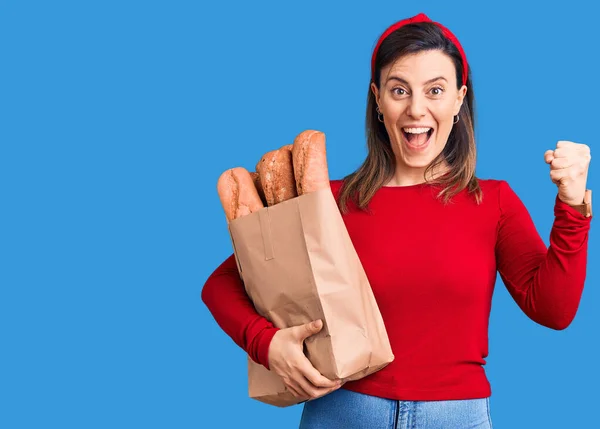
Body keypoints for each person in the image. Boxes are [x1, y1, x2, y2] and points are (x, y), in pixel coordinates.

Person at [201, 12, 593, 429]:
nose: (416, 109)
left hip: (456, 418)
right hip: (343, 413)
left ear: (460, 99)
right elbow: (221, 285)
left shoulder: (492, 201)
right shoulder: (327, 202)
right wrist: (268, 344)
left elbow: (553, 309)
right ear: (377, 99)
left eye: (435, 90)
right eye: (399, 90)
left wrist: (571, 206)